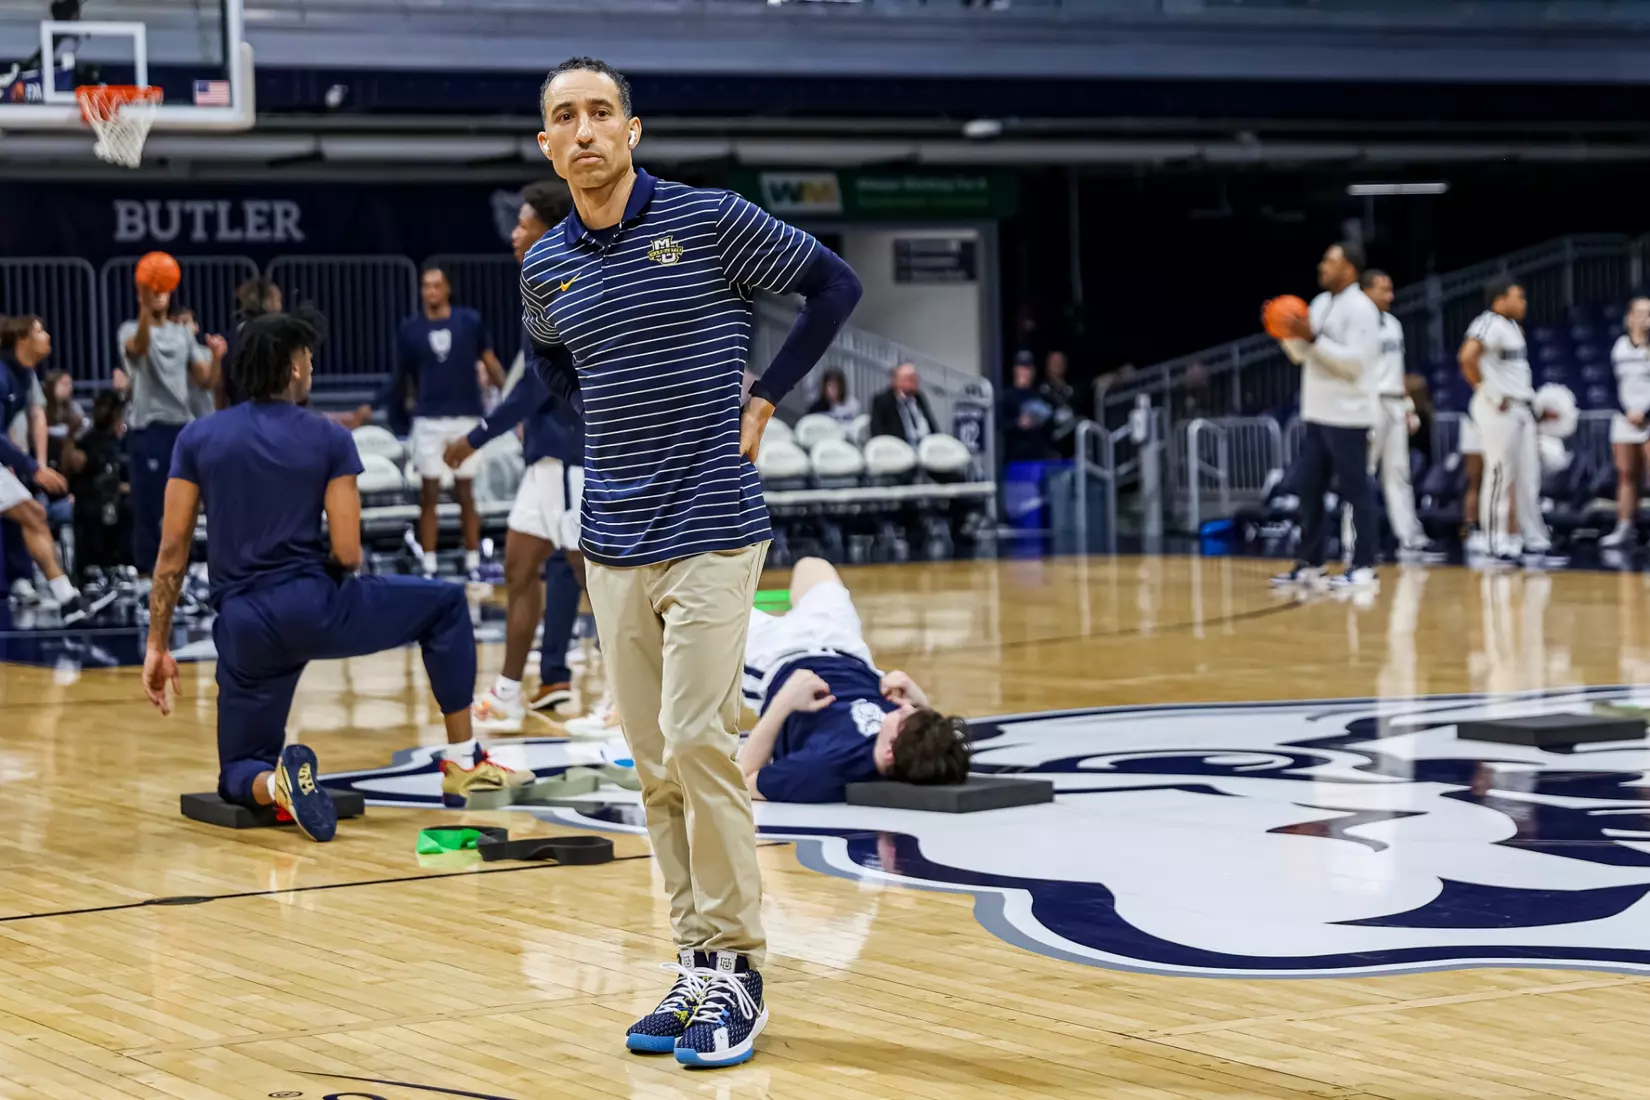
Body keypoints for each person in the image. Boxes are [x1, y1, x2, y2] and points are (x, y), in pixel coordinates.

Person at [522, 56, 861, 1067]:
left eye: (599, 114)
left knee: (697, 737)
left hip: (714, 526)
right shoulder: (547, 267)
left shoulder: (710, 220)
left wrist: (765, 399)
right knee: (657, 766)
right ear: (546, 145)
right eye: (563, 120)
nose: (583, 132)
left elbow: (833, 285)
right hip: (611, 544)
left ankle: (743, 969)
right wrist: (602, 428)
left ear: (632, 130)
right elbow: (548, 357)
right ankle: (696, 960)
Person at [140, 312, 529, 842]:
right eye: (308, 358)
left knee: (237, 770)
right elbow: (347, 551)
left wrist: (157, 643)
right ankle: (462, 762)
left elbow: (171, 550)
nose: (312, 367)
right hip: (315, 604)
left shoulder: (198, 437)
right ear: (293, 369)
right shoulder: (328, 436)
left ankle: (274, 784)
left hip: (244, 623)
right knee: (443, 605)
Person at [448, 180, 585, 731]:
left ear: (549, 231)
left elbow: (535, 388)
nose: (514, 233)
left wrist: (475, 437)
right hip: (544, 461)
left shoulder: (567, 282)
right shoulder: (540, 283)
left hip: (574, 455)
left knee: (599, 582)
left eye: (524, 223)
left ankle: (634, 695)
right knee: (519, 567)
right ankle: (508, 692)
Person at [738, 557, 970, 802]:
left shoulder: (822, 768)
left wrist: (784, 701)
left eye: (904, 715)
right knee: (812, 566)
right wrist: (919, 698)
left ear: (889, 752)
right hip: (845, 649)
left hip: (774, 659)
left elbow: (743, 780)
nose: (906, 708)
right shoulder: (915, 748)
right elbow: (935, 746)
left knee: (704, 596)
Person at [355, 265, 504, 580]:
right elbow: (400, 378)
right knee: (429, 495)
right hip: (428, 420)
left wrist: (511, 397)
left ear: (448, 288)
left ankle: (473, 561)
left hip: (466, 416)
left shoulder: (469, 321)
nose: (430, 291)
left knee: (466, 492)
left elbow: (490, 362)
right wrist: (370, 406)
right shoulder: (410, 330)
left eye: (436, 285)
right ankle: (430, 565)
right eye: (426, 286)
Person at [1268, 242, 1380, 591]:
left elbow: (1355, 363)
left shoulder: (1362, 308)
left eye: (1329, 261)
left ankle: (1364, 566)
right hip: (1317, 413)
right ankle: (1311, 563)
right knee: (1309, 488)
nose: (1322, 267)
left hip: (1348, 415)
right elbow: (1303, 355)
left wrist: (1312, 337)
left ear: (1349, 268)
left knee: (1355, 491)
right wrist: (1284, 332)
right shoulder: (1319, 304)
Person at [119, 285, 226, 577]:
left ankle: (182, 572)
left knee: (185, 503)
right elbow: (137, 350)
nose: (158, 294)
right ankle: (145, 575)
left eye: (162, 289)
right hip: (147, 426)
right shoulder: (129, 329)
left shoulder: (182, 334)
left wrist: (216, 357)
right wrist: (145, 310)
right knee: (149, 504)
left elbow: (206, 382)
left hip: (182, 427)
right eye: (151, 290)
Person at [1459, 277, 1559, 565]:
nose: (1524, 302)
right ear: (1500, 299)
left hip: (1520, 407)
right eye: (1519, 297)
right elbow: (1467, 357)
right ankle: (1495, 540)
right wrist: (1490, 393)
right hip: (1497, 407)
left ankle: (1534, 539)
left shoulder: (1514, 327)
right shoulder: (1487, 322)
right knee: (1500, 473)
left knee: (1529, 476)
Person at [0, 316, 92, 621]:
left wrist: (28, 465)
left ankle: (68, 600)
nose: (47, 335)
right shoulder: (1, 374)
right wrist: (30, 466)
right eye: (39, 330)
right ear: (21, 340)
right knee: (32, 514)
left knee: (34, 514)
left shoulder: (24, 375)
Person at [1359, 270, 1439, 560]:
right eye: (1384, 290)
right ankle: (1354, 540)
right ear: (1366, 291)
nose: (1390, 296)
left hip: (1394, 401)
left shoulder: (1393, 324)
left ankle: (1409, 537)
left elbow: (1397, 369)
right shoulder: (1355, 324)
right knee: (1361, 475)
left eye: (1391, 289)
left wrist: (1407, 405)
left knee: (1400, 474)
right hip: (1370, 402)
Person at [61, 389, 131, 582]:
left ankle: (121, 567)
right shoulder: (88, 441)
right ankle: (90, 571)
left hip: (116, 502)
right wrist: (70, 435)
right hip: (91, 500)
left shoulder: (124, 442)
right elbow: (74, 464)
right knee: (92, 511)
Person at [1602, 296, 1650, 549]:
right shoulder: (1619, 346)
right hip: (1625, 419)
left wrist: (1645, 412)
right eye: (1640, 312)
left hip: (1648, 418)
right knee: (1626, 475)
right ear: (1629, 317)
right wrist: (1626, 410)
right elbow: (1610, 385)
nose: (1644, 317)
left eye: (1649, 313)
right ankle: (1624, 527)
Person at [999, 353, 1053, 463]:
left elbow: (1051, 422)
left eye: (1028, 368)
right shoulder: (1006, 396)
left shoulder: (1041, 395)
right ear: (1015, 370)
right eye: (1021, 368)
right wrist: (1018, 423)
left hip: (1038, 455)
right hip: (1014, 457)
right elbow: (999, 424)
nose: (1025, 372)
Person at [870, 361, 938, 445]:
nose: (913, 382)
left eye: (915, 378)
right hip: (900, 449)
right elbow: (878, 433)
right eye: (908, 378)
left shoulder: (919, 397)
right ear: (895, 381)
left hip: (927, 447)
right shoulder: (882, 401)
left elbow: (932, 427)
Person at [1040, 349, 1078, 457]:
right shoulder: (1042, 391)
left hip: (1072, 446)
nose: (1057, 366)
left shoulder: (1072, 390)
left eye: (1060, 362)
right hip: (1052, 446)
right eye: (1054, 363)